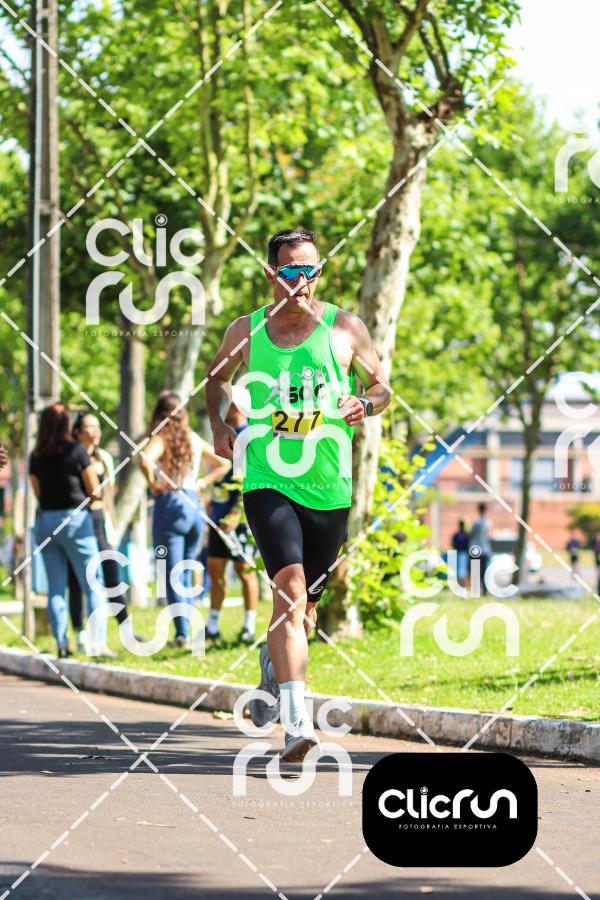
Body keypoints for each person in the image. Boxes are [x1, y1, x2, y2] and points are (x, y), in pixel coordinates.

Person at [206, 227, 389, 762]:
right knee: (288, 590)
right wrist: (220, 426)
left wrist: (365, 405)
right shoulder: (247, 330)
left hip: (328, 485)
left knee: (304, 612)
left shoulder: (345, 328)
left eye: (310, 270)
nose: (301, 281)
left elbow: (381, 387)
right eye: (290, 271)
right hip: (268, 476)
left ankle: (273, 664)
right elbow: (217, 378)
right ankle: (297, 724)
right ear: (271, 274)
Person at [140, 391, 230, 649]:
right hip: (194, 504)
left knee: (172, 573)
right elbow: (223, 464)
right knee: (187, 571)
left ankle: (182, 634)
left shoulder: (162, 437)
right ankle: (191, 630)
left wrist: (154, 485)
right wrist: (201, 483)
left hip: (170, 503)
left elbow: (145, 460)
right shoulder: (193, 438)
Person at [29, 402, 110, 658]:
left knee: (56, 588)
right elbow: (94, 491)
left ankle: (62, 644)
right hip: (76, 521)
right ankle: (97, 644)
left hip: (46, 521)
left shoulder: (36, 455)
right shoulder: (77, 450)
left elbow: (37, 491)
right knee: (92, 583)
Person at [66, 413, 138, 653]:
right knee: (77, 579)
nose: (94, 431)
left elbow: (107, 497)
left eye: (97, 427)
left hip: (100, 521)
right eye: (89, 427)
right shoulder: (71, 456)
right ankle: (80, 633)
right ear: (77, 431)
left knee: (112, 577)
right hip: (79, 521)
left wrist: (111, 526)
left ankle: (126, 630)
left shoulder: (105, 458)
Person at [205, 388, 259, 645]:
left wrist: (237, 513)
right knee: (215, 567)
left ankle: (249, 626)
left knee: (244, 569)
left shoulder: (248, 435)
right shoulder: (222, 434)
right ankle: (212, 626)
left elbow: (247, 478)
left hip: (241, 517)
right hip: (218, 514)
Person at [468, 503, 492, 595]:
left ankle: (476, 590)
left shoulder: (476, 522)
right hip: (485, 550)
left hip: (475, 550)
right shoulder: (488, 522)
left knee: (475, 570)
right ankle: (484, 589)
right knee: (484, 571)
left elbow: (470, 534)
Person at [450, 519, 469, 587]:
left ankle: (460, 585)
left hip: (459, 553)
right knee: (462, 570)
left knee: (459, 570)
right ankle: (461, 585)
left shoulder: (457, 534)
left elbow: (453, 544)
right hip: (463, 553)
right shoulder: (466, 535)